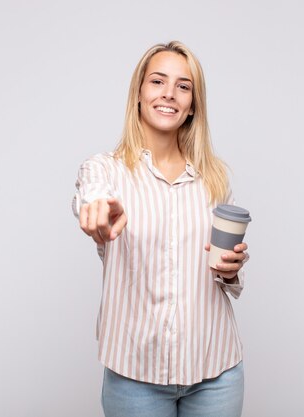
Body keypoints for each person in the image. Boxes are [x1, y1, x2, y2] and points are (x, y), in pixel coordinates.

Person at [72, 41, 250, 417]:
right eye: (157, 81)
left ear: (192, 105)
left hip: (216, 371)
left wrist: (231, 270)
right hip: (134, 377)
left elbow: (222, 275)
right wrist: (97, 213)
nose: (169, 94)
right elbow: (91, 199)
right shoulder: (105, 170)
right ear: (139, 92)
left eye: (183, 86)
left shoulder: (214, 179)